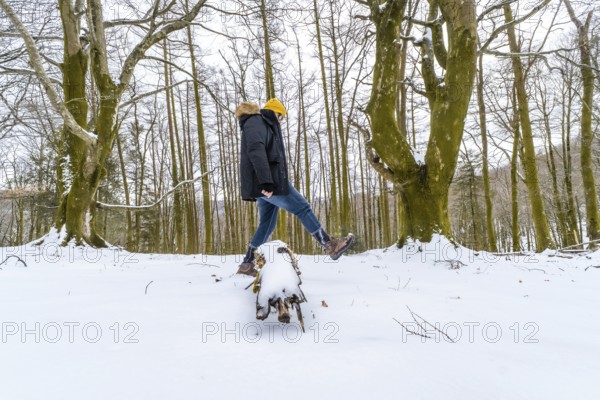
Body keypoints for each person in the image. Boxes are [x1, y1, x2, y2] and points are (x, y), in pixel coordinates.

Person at [235, 98, 354, 276]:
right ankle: (329, 245)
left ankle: (247, 264)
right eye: (281, 117)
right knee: (302, 208)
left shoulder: (261, 124)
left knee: (267, 224)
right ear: (276, 112)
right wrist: (266, 181)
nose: (281, 122)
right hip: (269, 183)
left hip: (264, 184)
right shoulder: (256, 121)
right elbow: (255, 149)